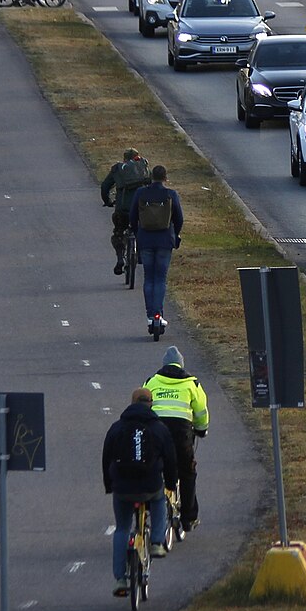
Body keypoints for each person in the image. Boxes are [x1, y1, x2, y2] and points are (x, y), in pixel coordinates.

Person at [103, 387, 178, 591]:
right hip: (150, 485)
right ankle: (156, 542)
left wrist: (110, 485)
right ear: (151, 403)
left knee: (122, 529)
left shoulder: (117, 428)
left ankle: (120, 579)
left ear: (132, 403)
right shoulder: (159, 428)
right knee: (159, 500)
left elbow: (106, 458)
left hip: (122, 489)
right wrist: (170, 484)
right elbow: (171, 460)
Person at [144, 345, 210, 535]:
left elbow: (143, 405)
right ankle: (189, 518)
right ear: (182, 366)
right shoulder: (192, 384)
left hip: (156, 433)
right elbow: (201, 411)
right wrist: (201, 429)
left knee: (154, 468)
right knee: (187, 473)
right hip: (181, 435)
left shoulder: (152, 381)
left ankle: (150, 508)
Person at [129, 163, 183, 335]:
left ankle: (151, 316)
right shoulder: (171, 194)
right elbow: (179, 218)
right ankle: (159, 314)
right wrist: (175, 234)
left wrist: (138, 234)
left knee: (148, 278)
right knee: (160, 279)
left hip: (145, 240)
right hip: (164, 241)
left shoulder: (140, 193)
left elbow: (132, 217)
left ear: (151, 177)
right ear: (165, 178)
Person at [100, 148, 152, 274]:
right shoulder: (143, 167)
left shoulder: (118, 169)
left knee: (118, 232)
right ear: (137, 157)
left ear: (124, 159)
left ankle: (120, 258)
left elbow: (105, 186)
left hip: (122, 209)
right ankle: (140, 254)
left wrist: (107, 201)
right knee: (142, 229)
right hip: (141, 209)